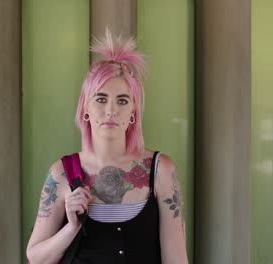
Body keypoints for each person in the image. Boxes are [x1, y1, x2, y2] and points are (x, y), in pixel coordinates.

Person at [26, 29, 189, 264]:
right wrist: (71, 228)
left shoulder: (160, 170)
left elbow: (176, 259)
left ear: (133, 111)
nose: (111, 110)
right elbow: (36, 257)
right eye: (101, 99)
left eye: (122, 100)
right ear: (85, 108)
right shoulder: (61, 173)